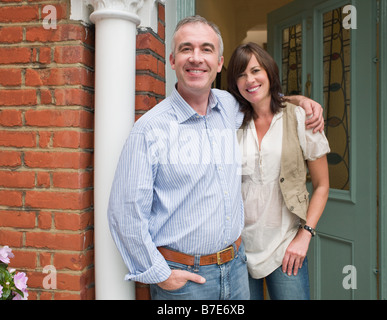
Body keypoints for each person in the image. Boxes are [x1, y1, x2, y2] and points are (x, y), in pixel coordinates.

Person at [107, 16, 324, 300]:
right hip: (187, 280)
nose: (196, 58)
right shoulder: (149, 130)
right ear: (172, 60)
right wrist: (159, 273)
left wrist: (301, 101)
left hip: (236, 270)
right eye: (187, 49)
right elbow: (125, 214)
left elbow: (263, 96)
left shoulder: (229, 106)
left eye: (206, 49)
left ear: (219, 63)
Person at [227, 42, 330, 300]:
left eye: (255, 70)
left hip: (286, 246)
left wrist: (304, 237)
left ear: (269, 72)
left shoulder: (299, 117)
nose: (249, 79)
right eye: (240, 74)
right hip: (238, 249)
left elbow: (322, 186)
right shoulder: (231, 121)